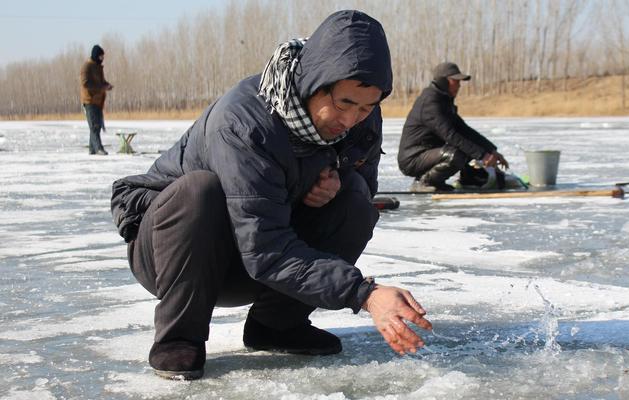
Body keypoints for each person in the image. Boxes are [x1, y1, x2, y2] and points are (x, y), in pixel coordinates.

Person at [110, 10, 432, 381]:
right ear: (314, 82)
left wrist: (335, 185)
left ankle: (276, 325)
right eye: (344, 103)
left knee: (356, 201)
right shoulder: (245, 123)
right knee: (200, 191)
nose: (351, 119)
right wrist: (364, 293)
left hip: (256, 256)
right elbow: (265, 248)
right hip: (176, 254)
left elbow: (359, 185)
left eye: (367, 107)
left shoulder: (360, 120)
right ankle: (178, 337)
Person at [397, 62, 509, 192]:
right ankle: (424, 182)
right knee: (455, 154)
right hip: (413, 159)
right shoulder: (430, 102)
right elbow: (451, 135)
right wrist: (483, 156)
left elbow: (464, 130)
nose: (459, 85)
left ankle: (468, 179)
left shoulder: (443, 100)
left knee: (466, 149)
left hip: (428, 153)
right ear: (443, 81)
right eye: (455, 81)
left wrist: (490, 150)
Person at [80, 44, 113, 155]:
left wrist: (107, 85)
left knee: (96, 126)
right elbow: (85, 83)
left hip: (98, 101)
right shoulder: (87, 67)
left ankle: (92, 149)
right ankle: (98, 148)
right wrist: (101, 87)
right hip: (89, 101)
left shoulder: (98, 67)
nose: (102, 59)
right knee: (94, 126)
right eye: (100, 56)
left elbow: (101, 82)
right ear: (96, 55)